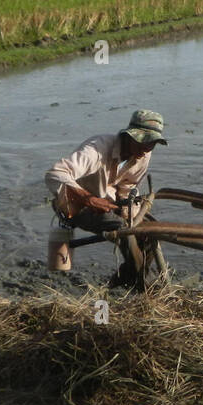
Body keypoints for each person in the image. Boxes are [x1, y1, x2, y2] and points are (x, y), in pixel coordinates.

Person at [46, 109, 168, 287]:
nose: (146, 149)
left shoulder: (144, 153)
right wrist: (88, 199)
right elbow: (54, 174)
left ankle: (122, 279)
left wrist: (129, 213)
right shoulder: (97, 148)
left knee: (149, 231)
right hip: (74, 204)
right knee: (123, 230)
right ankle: (145, 287)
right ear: (129, 136)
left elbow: (128, 187)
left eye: (152, 144)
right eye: (143, 142)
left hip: (109, 203)